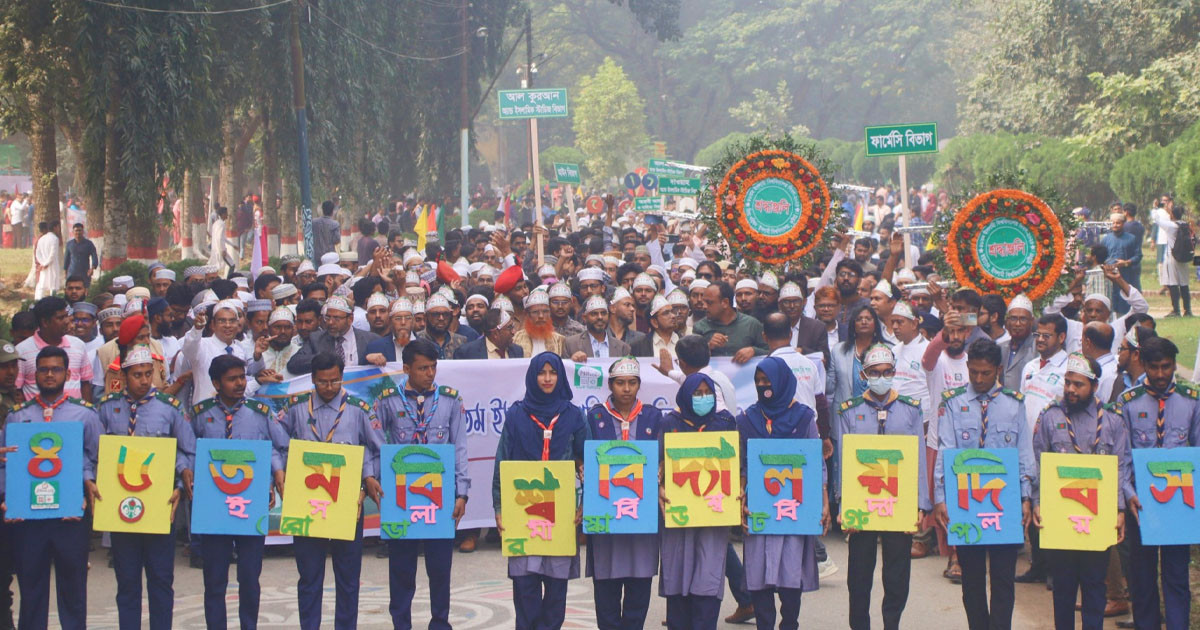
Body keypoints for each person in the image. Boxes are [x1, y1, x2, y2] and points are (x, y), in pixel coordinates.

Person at [933, 338, 1034, 630]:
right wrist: (941, 497)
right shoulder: (953, 403)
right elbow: (945, 451)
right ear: (967, 367)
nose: (979, 379)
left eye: (986, 373)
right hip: (967, 505)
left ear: (998, 370)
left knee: (1003, 580)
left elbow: (1023, 453)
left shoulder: (1014, 404)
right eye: (974, 372)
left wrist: (1026, 497)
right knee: (972, 580)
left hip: (1003, 505)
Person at [279, 352, 383, 630]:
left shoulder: (359, 407)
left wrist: (368, 479)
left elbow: (375, 448)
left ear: (342, 377)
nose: (329, 387)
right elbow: (277, 444)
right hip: (308, 502)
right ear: (313, 380)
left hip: (348, 501)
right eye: (323, 382)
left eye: (335, 380)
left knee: (348, 578)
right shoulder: (296, 407)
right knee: (310, 576)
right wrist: (281, 470)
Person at [95, 345, 196, 630]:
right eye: (136, 374)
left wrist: (181, 480)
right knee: (126, 580)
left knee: (161, 579)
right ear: (124, 375)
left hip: (159, 504)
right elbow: (95, 451)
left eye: (147, 374)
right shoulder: (107, 407)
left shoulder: (169, 407)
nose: (143, 380)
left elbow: (187, 450)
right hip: (120, 507)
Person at [3, 346, 102, 630]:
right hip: (28, 519)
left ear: (67, 374)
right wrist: (9, 498)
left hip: (70, 516)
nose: (49, 374)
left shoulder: (85, 415)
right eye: (43, 369)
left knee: (73, 591)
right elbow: (7, 464)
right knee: (31, 591)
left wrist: (86, 490)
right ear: (35, 374)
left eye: (55, 369)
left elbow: (98, 459)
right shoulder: (17, 416)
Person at [374, 339, 470, 630]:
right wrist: (376, 479)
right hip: (401, 495)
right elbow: (377, 443)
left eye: (433, 367)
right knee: (401, 568)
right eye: (423, 368)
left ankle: (440, 622)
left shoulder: (451, 399)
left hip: (438, 497)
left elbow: (460, 448)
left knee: (440, 568)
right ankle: (401, 623)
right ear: (406, 369)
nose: (430, 373)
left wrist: (462, 492)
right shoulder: (388, 399)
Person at [1032, 353, 1131, 630]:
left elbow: (1122, 466)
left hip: (1096, 516)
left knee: (1094, 583)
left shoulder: (1112, 420)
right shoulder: (1051, 416)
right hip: (1061, 515)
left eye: (1079, 385)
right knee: (1063, 585)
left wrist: (1120, 510)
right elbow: (1039, 463)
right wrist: (1038, 503)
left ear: (1094, 386)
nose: (1071, 390)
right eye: (1068, 383)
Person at [190, 355, 288, 630]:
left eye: (242, 377)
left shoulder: (260, 412)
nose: (239, 384)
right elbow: (188, 451)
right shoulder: (201, 414)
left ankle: (249, 625)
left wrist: (276, 474)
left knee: (249, 576)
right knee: (214, 577)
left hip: (251, 503)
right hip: (214, 506)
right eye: (232, 379)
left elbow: (278, 447)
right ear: (216, 383)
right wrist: (187, 474)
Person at [835, 344, 928, 630]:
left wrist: (920, 504)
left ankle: (892, 624)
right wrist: (843, 505)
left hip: (898, 502)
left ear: (894, 372)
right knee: (859, 574)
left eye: (887, 372)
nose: (881, 377)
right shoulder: (850, 410)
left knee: (897, 572)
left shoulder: (910, 410)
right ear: (864, 374)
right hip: (862, 502)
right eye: (875, 373)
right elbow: (843, 461)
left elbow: (919, 457)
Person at [492, 353, 587, 630]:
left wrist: (586, 502)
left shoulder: (573, 415)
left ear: (560, 377)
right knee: (525, 586)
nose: (547, 379)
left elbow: (588, 461)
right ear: (532, 377)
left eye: (552, 373)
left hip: (561, 511)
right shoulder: (516, 414)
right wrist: (498, 508)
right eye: (541, 373)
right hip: (523, 508)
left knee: (556, 589)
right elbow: (502, 461)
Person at [736, 357, 828, 630]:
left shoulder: (803, 417)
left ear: (783, 382)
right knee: (758, 574)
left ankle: (790, 623)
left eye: (769, 381)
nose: (763, 387)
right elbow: (741, 464)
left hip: (793, 507)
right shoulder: (747, 419)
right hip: (760, 507)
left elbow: (816, 462)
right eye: (758, 381)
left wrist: (824, 502)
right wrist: (740, 497)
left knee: (790, 575)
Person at [1116, 337, 1200, 629]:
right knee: (1142, 576)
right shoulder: (1128, 402)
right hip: (1141, 501)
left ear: (1175, 365)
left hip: (1178, 500)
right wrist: (1127, 494)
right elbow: (1121, 456)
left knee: (1177, 574)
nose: (1161, 374)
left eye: (1167, 367)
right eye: (1155, 368)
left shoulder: (1192, 400)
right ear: (1144, 365)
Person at [584, 357, 663, 630]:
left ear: (639, 385)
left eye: (632, 383)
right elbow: (583, 457)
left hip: (641, 511)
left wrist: (661, 470)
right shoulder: (595, 416)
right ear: (610, 385)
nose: (626, 389)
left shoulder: (653, 416)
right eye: (620, 383)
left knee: (640, 580)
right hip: (606, 508)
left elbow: (663, 456)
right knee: (605, 581)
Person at [659, 373, 737, 630]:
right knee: (678, 575)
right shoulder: (670, 422)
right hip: (679, 516)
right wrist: (659, 484)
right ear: (685, 395)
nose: (703, 398)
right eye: (697, 393)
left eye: (707, 393)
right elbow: (658, 464)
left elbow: (737, 465)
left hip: (714, 515)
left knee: (708, 577)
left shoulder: (725, 422)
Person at [15, 296, 93, 402]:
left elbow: (85, 383)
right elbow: (17, 390)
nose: (67, 321)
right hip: (37, 417)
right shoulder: (22, 351)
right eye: (61, 318)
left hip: (74, 416)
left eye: (66, 316)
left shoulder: (78, 345)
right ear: (45, 322)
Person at [286, 296, 381, 374]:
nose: (330, 322)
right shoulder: (316, 339)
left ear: (350, 319)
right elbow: (294, 364)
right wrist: (322, 359)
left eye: (336, 318)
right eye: (327, 317)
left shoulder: (370, 339)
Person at [694, 281, 767, 360]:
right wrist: (708, 346)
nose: (704, 306)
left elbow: (770, 351)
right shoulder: (699, 327)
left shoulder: (751, 324)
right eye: (704, 302)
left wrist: (754, 351)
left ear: (725, 302)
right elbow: (691, 359)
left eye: (709, 302)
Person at [564, 296, 631, 361]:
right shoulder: (571, 344)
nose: (600, 317)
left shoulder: (622, 348)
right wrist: (572, 361)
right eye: (594, 314)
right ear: (584, 318)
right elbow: (564, 370)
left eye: (603, 313)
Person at [453, 308, 524, 360]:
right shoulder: (467, 353)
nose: (513, 332)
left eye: (513, 326)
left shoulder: (517, 351)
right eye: (509, 328)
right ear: (495, 333)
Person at [29, 222, 63, 299]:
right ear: (55, 227)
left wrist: (43, 263)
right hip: (51, 265)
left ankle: (38, 300)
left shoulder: (42, 238)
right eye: (58, 227)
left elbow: (38, 253)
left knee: (42, 285)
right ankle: (52, 302)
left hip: (44, 266)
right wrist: (45, 264)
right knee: (53, 285)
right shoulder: (54, 239)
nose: (59, 229)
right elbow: (53, 254)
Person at [62, 223, 97, 288]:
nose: (78, 232)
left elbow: (94, 256)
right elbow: (66, 259)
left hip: (84, 273)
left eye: (80, 230)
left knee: (84, 290)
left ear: (83, 231)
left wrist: (92, 268)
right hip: (72, 272)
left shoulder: (89, 244)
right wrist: (65, 272)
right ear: (73, 232)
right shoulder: (69, 244)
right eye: (76, 230)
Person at [209, 207, 229, 274]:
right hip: (219, 249)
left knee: (217, 266)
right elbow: (220, 238)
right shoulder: (221, 224)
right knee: (230, 265)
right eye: (226, 213)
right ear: (223, 214)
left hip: (215, 248)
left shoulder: (216, 223)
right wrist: (223, 250)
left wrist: (232, 245)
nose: (227, 215)